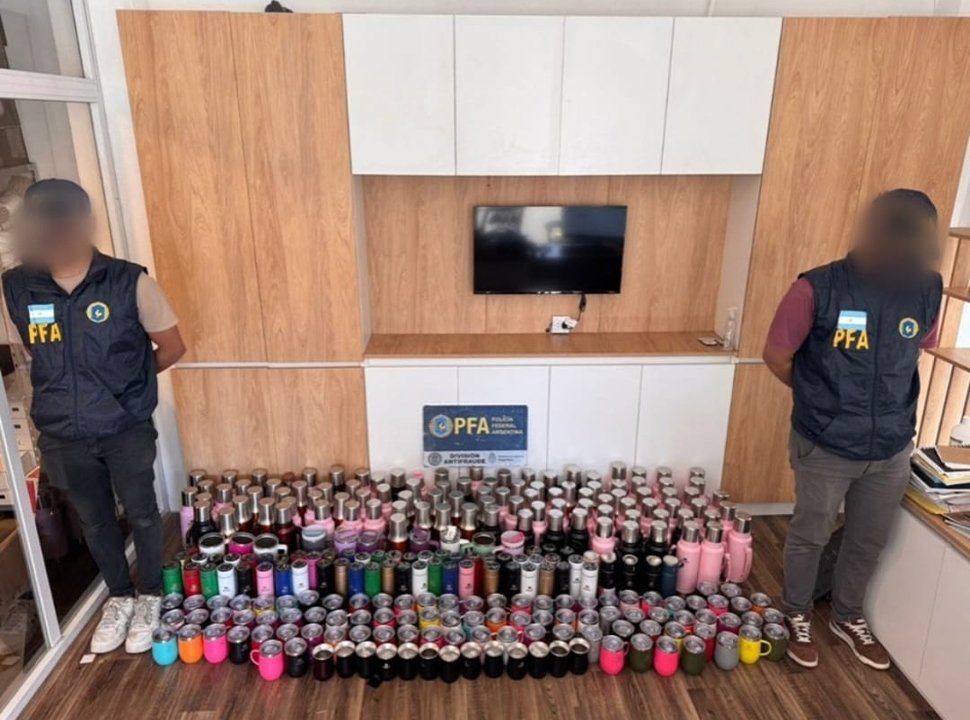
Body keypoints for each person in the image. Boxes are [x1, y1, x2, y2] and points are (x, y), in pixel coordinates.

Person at [2, 179, 186, 654]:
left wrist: (124, 391)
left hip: (124, 428)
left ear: (85, 223)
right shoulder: (18, 287)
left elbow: (171, 347)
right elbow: (34, 353)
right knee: (95, 521)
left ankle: (150, 596)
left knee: (142, 514)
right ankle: (120, 598)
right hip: (64, 433)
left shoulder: (129, 282)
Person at [763, 188, 942, 671]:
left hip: (891, 446)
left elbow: (919, 348)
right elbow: (776, 355)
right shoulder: (817, 288)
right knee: (811, 534)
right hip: (825, 442)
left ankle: (848, 616)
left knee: (867, 540)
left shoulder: (928, 288)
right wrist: (821, 401)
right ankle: (795, 612)